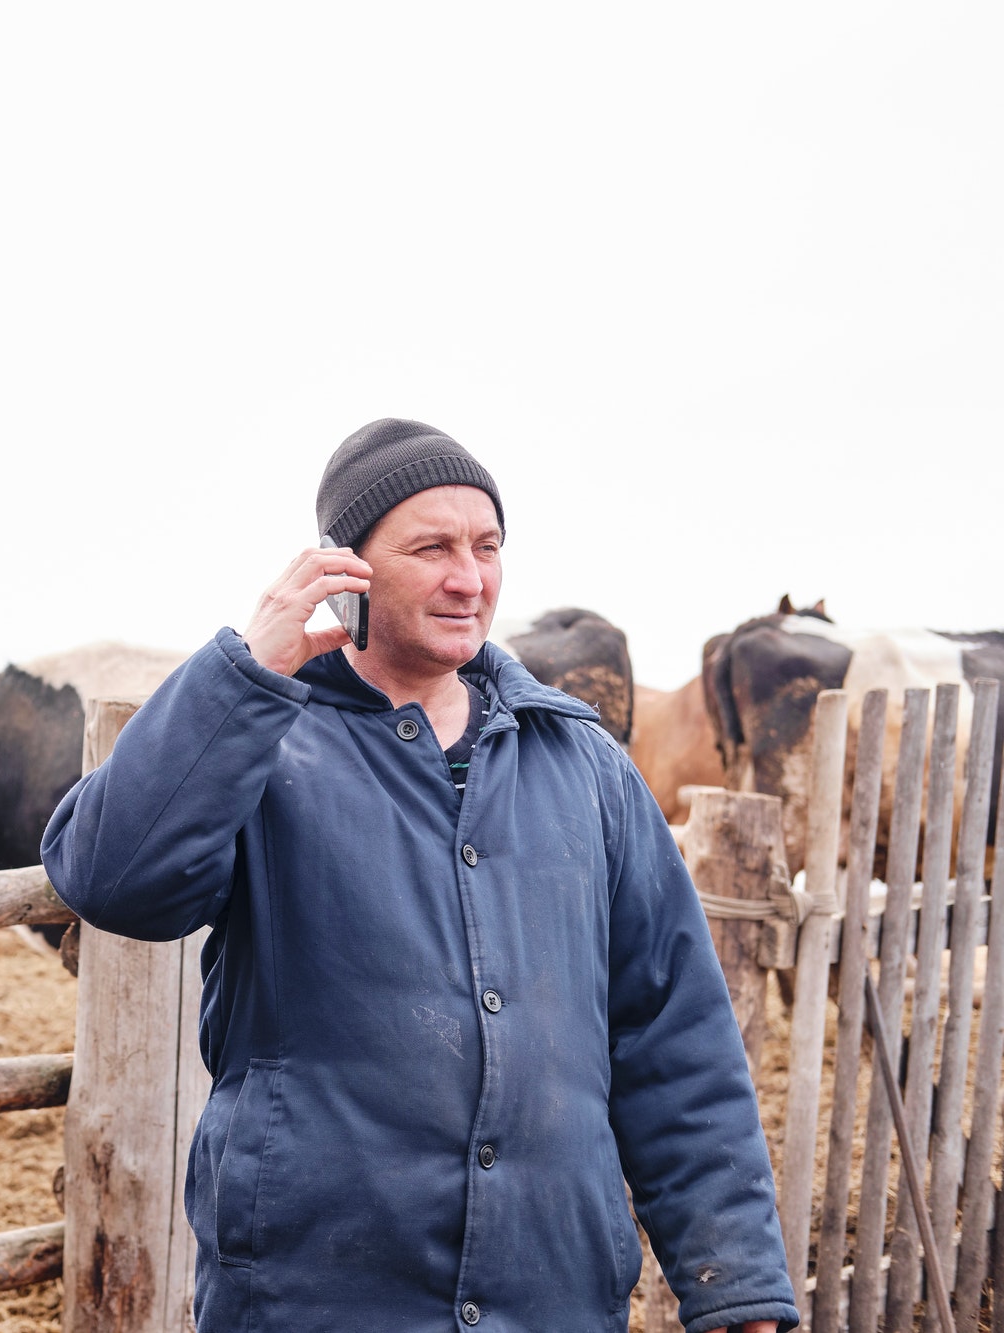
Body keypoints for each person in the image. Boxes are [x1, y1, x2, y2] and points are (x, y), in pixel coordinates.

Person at [41, 419, 796, 1332]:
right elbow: (114, 880)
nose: (468, 578)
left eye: (486, 547)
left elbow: (675, 1037)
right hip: (319, 1299)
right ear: (344, 568)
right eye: (431, 547)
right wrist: (246, 668)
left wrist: (740, 1287)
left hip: (552, 1297)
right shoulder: (266, 741)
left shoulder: (583, 765)